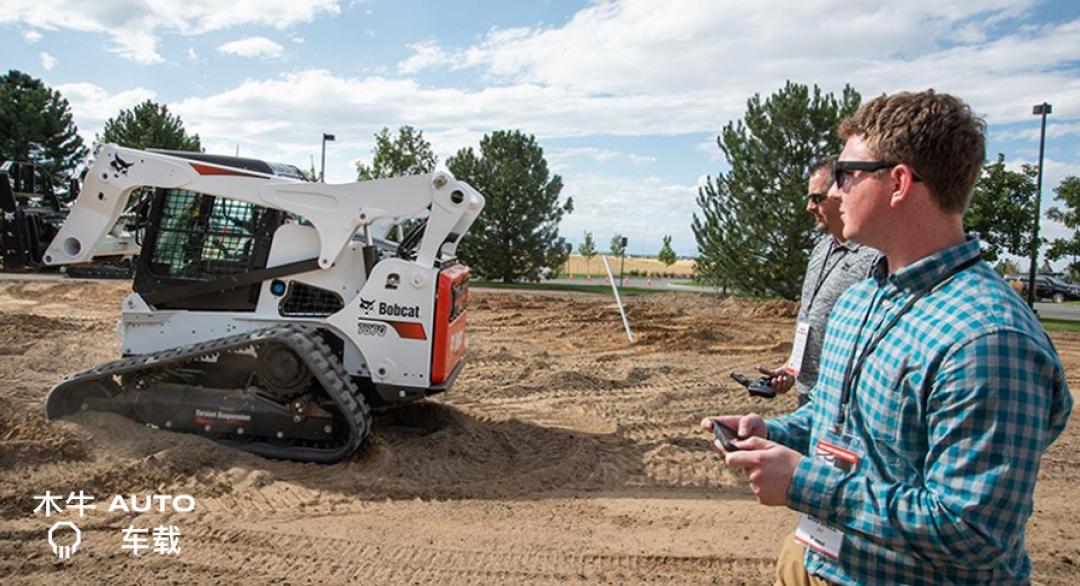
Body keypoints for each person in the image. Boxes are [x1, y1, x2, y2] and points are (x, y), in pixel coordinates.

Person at [702, 90, 1073, 585]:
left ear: (898, 182)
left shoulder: (986, 338)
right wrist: (774, 435)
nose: (833, 192)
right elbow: (840, 423)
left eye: (846, 175)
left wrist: (804, 482)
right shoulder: (861, 300)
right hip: (814, 562)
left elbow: (973, 533)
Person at [758, 155, 879, 407]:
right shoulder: (821, 249)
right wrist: (792, 369)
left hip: (843, 402)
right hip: (808, 396)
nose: (809, 207)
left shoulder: (876, 258)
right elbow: (810, 318)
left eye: (817, 198)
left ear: (844, 193)